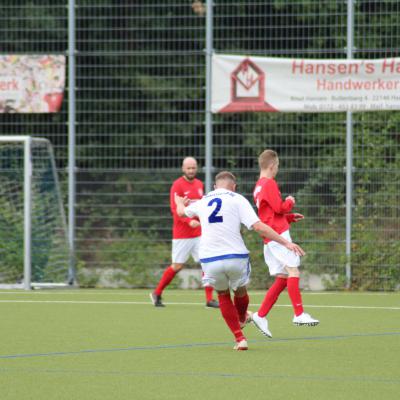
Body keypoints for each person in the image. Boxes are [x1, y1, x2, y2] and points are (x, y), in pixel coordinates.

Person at [175, 171, 305, 350]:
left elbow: (181, 212)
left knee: (222, 295)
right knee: (240, 291)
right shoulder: (237, 199)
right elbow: (259, 227)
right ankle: (243, 317)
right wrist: (286, 242)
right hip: (235, 256)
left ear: (214, 187)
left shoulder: (203, 200)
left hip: (210, 258)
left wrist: (179, 202)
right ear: (234, 187)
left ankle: (239, 338)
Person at [252, 149, 319, 337]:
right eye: (278, 166)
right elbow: (279, 207)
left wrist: (288, 218)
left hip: (270, 235)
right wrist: (289, 202)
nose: (277, 170)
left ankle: (260, 315)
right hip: (278, 235)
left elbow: (269, 214)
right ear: (272, 165)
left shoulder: (258, 185)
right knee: (293, 270)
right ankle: (299, 314)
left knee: (282, 278)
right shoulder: (269, 183)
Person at [150, 157, 219, 308]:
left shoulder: (200, 184)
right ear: (183, 169)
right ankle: (157, 292)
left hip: (199, 233)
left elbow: (201, 207)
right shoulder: (177, 186)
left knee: (207, 262)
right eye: (188, 168)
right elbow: (175, 211)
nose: (191, 171)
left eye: (193, 168)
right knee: (177, 266)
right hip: (182, 235)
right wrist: (189, 222)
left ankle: (209, 299)